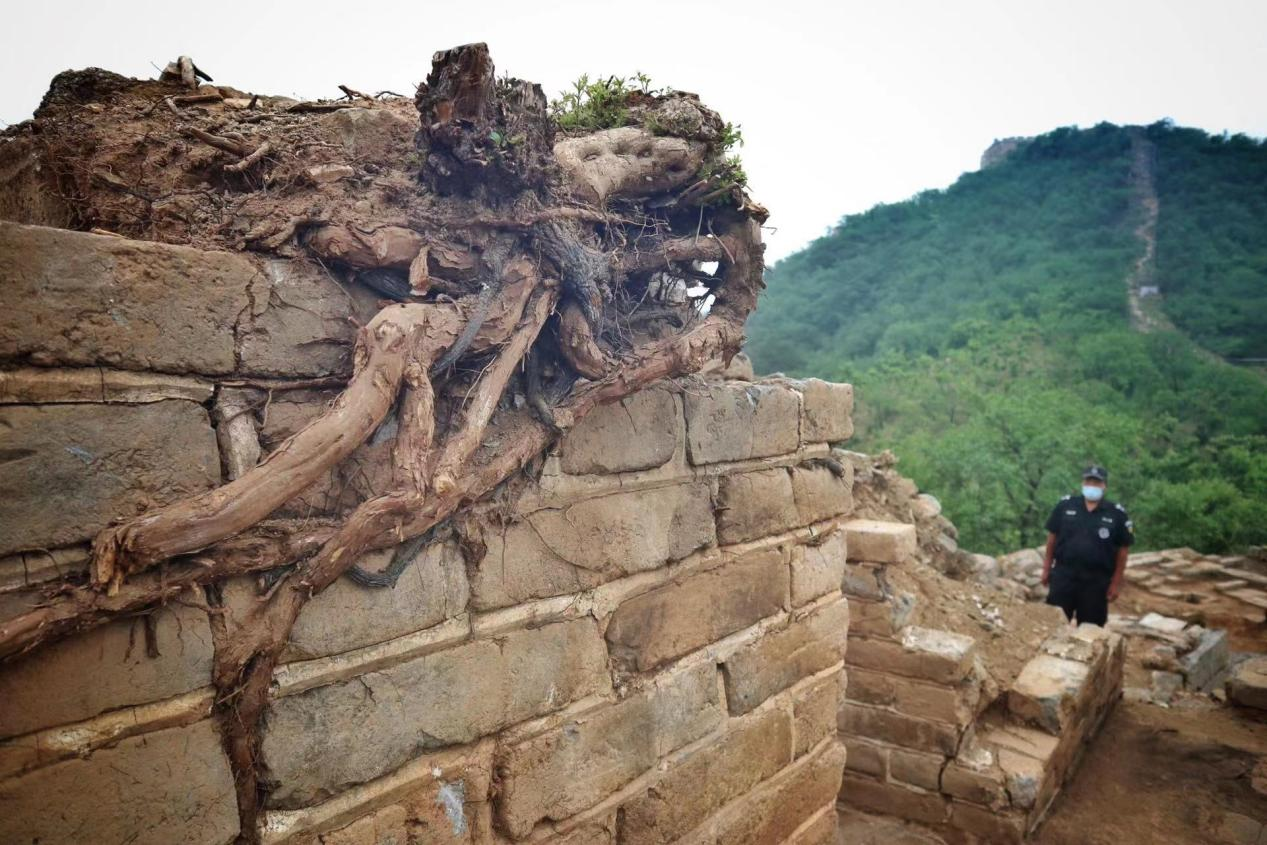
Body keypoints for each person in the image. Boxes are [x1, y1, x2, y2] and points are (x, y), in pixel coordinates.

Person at [1040, 465, 1133, 626]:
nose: (1092, 486)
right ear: (1083, 483)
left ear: (1104, 486)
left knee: (1091, 629)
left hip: (1096, 582)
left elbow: (1123, 550)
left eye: (1097, 483)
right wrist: (1047, 568)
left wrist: (1116, 582)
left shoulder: (1116, 514)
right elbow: (1052, 538)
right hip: (1064, 576)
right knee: (1053, 624)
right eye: (1089, 481)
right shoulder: (1066, 506)